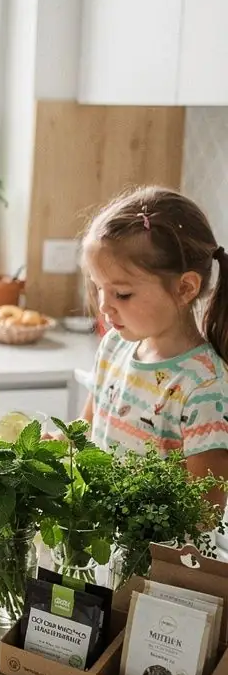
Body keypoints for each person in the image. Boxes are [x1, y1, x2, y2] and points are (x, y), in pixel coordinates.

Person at [81, 186, 228, 501]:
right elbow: (87, 430)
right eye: (98, 287)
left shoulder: (204, 389)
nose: (104, 306)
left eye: (122, 294)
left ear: (185, 288)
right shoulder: (113, 348)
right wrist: (60, 443)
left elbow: (205, 512)